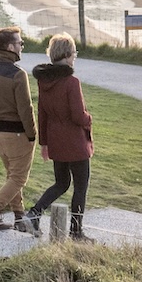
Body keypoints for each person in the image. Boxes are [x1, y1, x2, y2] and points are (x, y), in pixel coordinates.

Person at [20, 33, 95, 241]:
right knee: (80, 187)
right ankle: (76, 232)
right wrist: (89, 119)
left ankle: (34, 213)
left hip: (56, 142)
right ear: (68, 54)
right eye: (74, 53)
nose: (75, 57)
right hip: (75, 143)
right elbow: (78, 115)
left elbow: (42, 114)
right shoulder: (71, 81)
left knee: (61, 183)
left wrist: (45, 143)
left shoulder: (44, 81)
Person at [0, 26, 37, 231]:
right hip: (17, 133)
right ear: (11, 46)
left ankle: (19, 217)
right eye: (20, 43)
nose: (22, 46)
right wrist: (32, 135)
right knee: (19, 177)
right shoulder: (18, 75)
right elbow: (26, 109)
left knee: (12, 175)